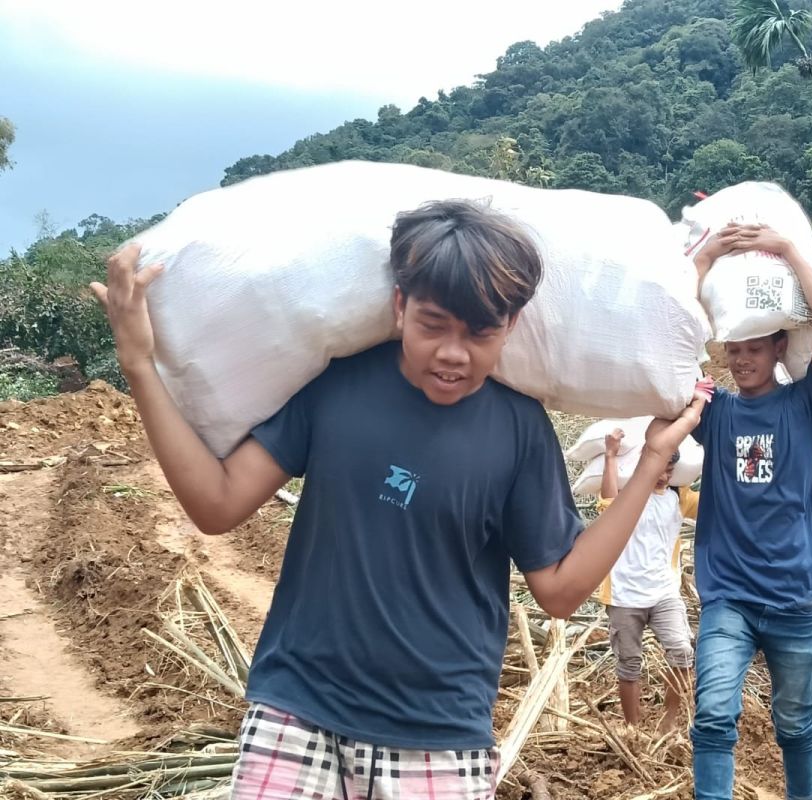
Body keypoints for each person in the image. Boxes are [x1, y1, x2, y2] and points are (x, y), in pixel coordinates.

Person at [91, 200, 706, 800]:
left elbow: (561, 590)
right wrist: (140, 364)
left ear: (511, 327)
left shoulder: (520, 431)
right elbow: (217, 505)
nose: (452, 353)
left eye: (480, 332)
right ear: (398, 306)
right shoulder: (336, 388)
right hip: (297, 708)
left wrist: (652, 461)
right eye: (432, 324)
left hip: (438, 733)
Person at [687, 221, 812, 800]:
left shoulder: (809, 404)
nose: (741, 360)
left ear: (779, 346)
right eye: (734, 350)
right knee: (712, 716)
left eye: (753, 348)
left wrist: (783, 248)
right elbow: (671, 342)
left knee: (796, 724)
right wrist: (705, 255)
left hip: (793, 599)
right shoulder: (717, 413)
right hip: (728, 594)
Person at [595, 426, 700, 733]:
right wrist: (611, 455)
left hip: (664, 592)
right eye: (660, 466)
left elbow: (714, 506)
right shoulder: (629, 495)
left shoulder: (678, 497)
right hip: (624, 595)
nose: (664, 475)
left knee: (681, 651)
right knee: (628, 664)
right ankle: (633, 728)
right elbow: (607, 503)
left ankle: (668, 721)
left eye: (670, 468)